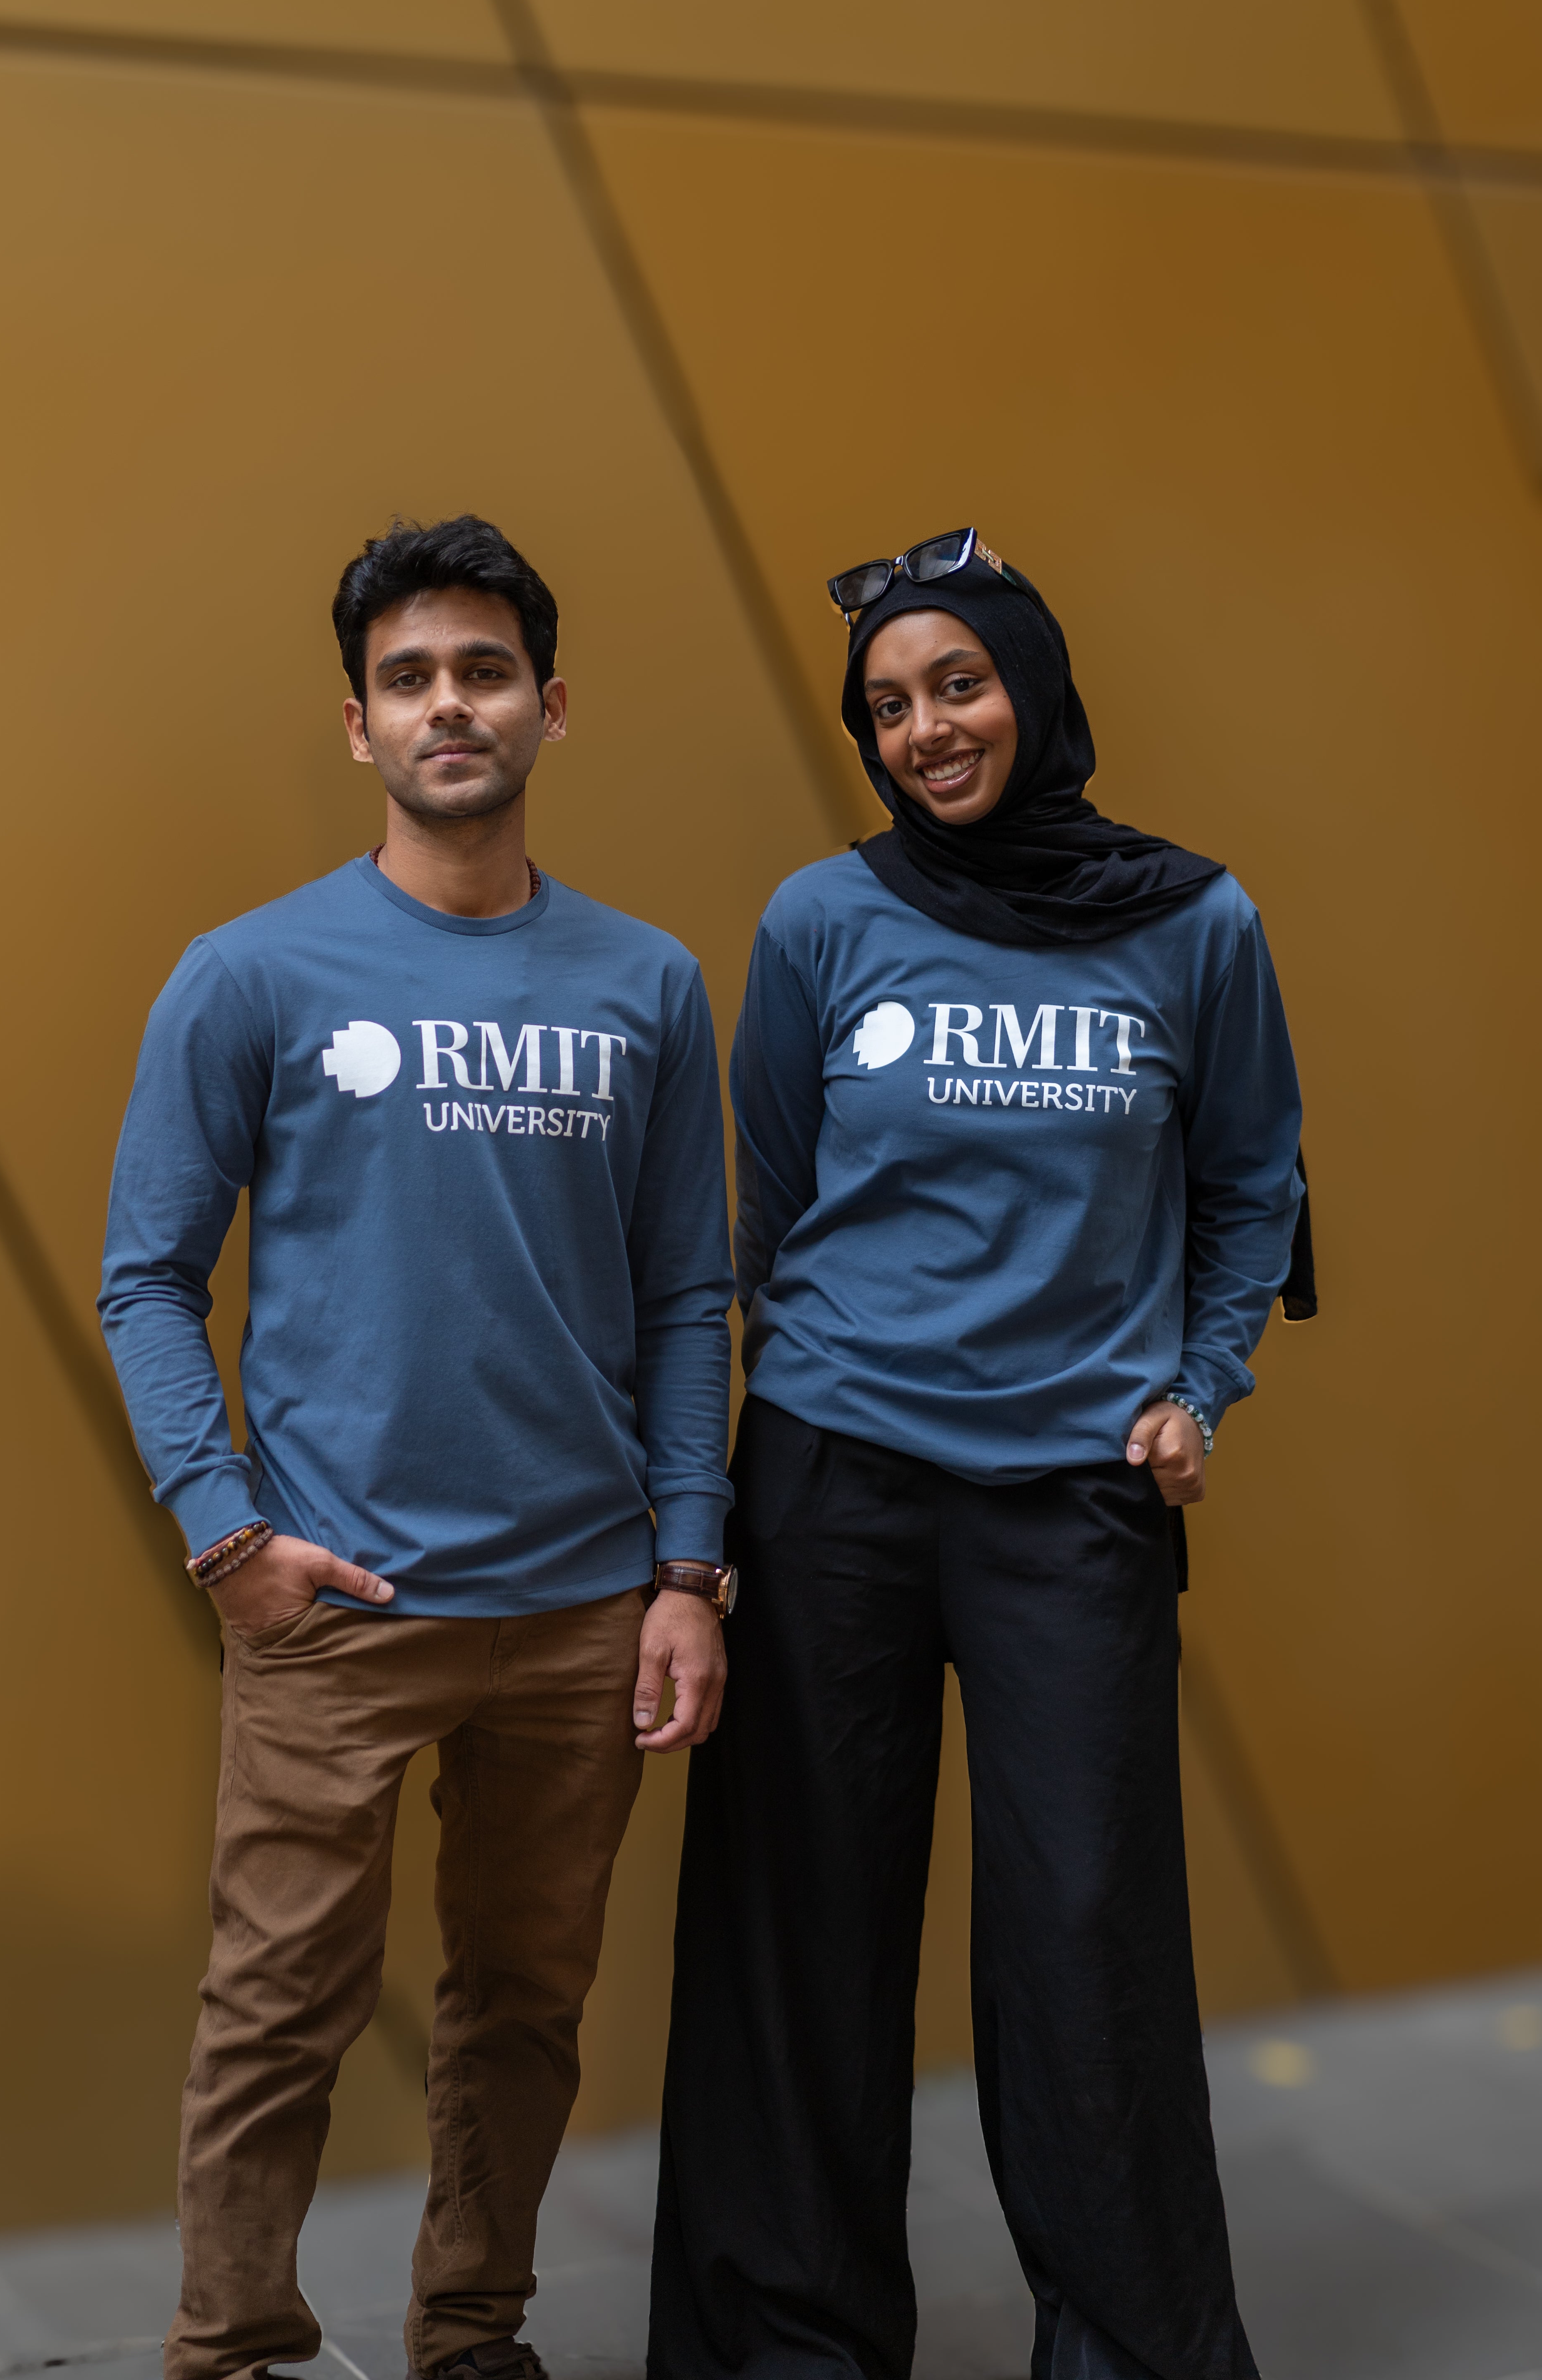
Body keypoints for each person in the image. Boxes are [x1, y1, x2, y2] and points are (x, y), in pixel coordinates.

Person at [648, 530, 1313, 2380]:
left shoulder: (1196, 924)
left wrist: (1203, 1378)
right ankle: (786, 2347)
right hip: (833, 1478)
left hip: (1071, 1503)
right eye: (886, 706)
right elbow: (768, 1205)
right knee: (801, 1941)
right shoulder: (820, 922)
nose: (926, 729)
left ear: (1032, 679)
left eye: (957, 682)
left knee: (1085, 1950)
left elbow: (1253, 1181)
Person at [99, 515, 738, 2380]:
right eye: (408, 678)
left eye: (482, 671)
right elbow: (148, 1276)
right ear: (360, 728)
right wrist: (228, 1533)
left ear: (552, 706)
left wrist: (684, 1570)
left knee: (525, 2006)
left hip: (578, 1609)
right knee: (276, 2011)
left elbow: (691, 1301)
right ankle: (230, 2350)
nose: (448, 704)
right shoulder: (255, 974)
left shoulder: (646, 988)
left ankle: (472, 2337)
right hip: (334, 1601)